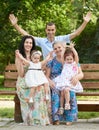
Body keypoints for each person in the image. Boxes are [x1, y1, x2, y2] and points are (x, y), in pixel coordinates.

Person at [9, 12, 91, 59]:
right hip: (47, 68)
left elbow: (76, 33)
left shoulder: (61, 39)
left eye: (52, 30)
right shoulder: (42, 41)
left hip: (60, 67)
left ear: (55, 30)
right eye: (48, 30)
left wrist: (85, 22)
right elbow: (27, 35)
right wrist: (15, 25)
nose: (50, 32)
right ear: (46, 30)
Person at [15, 35, 51, 126]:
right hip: (24, 82)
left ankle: (42, 119)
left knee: (42, 88)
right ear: (23, 43)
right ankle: (32, 119)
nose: (29, 44)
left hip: (35, 80)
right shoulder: (20, 56)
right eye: (27, 42)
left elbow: (40, 67)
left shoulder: (35, 55)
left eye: (30, 43)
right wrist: (20, 61)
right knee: (38, 90)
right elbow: (21, 74)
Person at [46, 41, 84, 126]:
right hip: (56, 83)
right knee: (56, 94)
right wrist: (50, 81)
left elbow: (81, 74)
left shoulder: (71, 60)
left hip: (69, 82)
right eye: (55, 48)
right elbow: (46, 76)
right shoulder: (52, 61)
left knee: (70, 93)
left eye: (59, 47)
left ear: (63, 48)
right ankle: (56, 118)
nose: (58, 50)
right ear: (53, 50)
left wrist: (76, 77)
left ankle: (70, 118)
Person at [53, 43, 83, 114]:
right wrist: (64, 48)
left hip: (70, 82)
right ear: (65, 59)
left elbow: (76, 55)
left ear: (73, 59)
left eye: (71, 59)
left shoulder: (74, 64)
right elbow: (63, 55)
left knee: (66, 90)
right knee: (62, 93)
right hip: (64, 81)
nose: (69, 60)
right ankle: (61, 107)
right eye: (67, 59)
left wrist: (72, 48)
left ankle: (67, 104)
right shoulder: (64, 64)